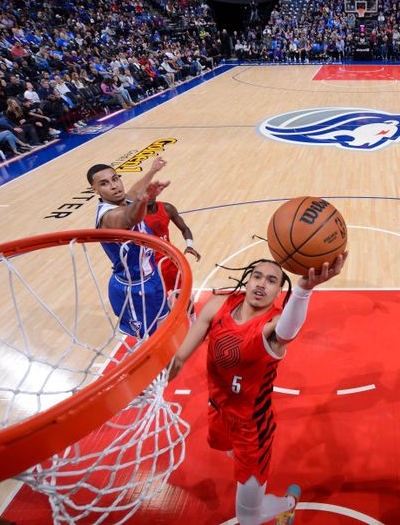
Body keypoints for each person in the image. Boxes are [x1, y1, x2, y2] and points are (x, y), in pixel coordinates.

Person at [168, 254, 347, 525]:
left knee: (248, 519)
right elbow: (179, 359)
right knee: (225, 448)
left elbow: (289, 330)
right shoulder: (218, 306)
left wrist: (303, 290)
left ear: (278, 292)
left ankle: (288, 504)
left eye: (272, 280)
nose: (262, 284)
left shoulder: (272, 328)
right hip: (218, 410)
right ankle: (241, 461)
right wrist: (148, 380)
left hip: (253, 429)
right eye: (257, 276)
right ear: (248, 279)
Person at [87, 157, 170, 337]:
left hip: (153, 277)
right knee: (148, 340)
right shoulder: (107, 216)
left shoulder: (125, 200)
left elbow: (133, 191)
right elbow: (129, 218)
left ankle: (169, 362)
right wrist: (143, 201)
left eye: (115, 179)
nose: (114, 186)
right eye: (104, 183)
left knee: (164, 326)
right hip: (132, 288)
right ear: (95, 190)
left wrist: (152, 170)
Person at [144, 199, 201, 294]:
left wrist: (190, 246)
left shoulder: (167, 208)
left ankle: (191, 309)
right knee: (161, 301)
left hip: (170, 261)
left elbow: (184, 228)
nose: (149, 197)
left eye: (151, 193)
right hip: (151, 266)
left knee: (183, 294)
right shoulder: (136, 217)